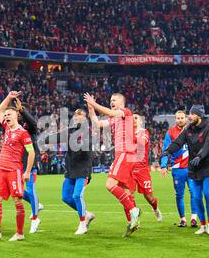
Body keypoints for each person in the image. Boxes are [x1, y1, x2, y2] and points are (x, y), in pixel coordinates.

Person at [84, 92, 141, 237]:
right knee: (125, 191)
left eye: (114, 100)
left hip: (125, 153)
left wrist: (95, 104)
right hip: (125, 155)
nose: (111, 102)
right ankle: (132, 222)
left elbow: (109, 111)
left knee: (110, 184)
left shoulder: (125, 112)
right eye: (110, 100)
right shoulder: (114, 118)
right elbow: (97, 123)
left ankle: (134, 211)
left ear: (122, 103)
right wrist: (91, 109)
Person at [0, 97, 44, 234]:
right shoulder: (8, 127)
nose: (7, 116)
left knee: (25, 192)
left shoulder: (27, 129)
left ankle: (34, 219)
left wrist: (22, 110)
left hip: (23, 165)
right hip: (6, 167)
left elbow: (32, 126)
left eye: (11, 113)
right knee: (2, 197)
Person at [161, 105, 209, 235]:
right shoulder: (188, 129)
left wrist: (200, 156)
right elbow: (178, 142)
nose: (189, 117)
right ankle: (202, 225)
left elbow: (208, 145)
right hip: (194, 166)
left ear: (199, 115)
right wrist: (167, 152)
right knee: (197, 197)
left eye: (192, 114)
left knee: (208, 193)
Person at [47, 109, 95, 234]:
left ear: (85, 119)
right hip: (71, 170)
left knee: (77, 195)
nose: (77, 117)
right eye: (75, 115)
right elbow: (55, 137)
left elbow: (84, 149)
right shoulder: (70, 131)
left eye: (80, 116)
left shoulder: (87, 132)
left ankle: (82, 224)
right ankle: (86, 214)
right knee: (66, 197)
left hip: (83, 170)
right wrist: (43, 139)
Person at [160, 110, 196, 227]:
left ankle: (194, 218)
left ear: (186, 118)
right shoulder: (170, 133)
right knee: (179, 195)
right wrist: (164, 166)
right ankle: (183, 219)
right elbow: (166, 150)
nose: (180, 120)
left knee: (194, 193)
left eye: (182, 118)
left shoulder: (193, 130)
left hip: (192, 168)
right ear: (175, 119)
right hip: (178, 169)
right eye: (178, 118)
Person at [133, 112, 162, 222]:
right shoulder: (126, 133)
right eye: (132, 118)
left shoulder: (144, 132)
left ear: (140, 121)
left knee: (149, 197)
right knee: (129, 194)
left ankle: (155, 208)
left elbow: (142, 142)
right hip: (130, 168)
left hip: (142, 170)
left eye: (136, 118)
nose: (134, 120)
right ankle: (134, 218)